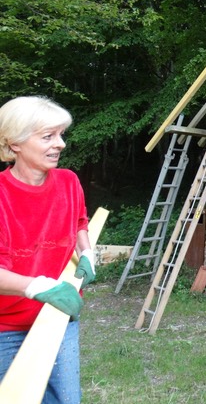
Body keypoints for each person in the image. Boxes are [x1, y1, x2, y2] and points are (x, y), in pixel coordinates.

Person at [0, 96, 95, 404]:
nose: (61, 144)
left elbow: (80, 221)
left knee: (66, 400)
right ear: (15, 143)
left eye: (61, 134)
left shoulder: (68, 182)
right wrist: (38, 287)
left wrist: (87, 252)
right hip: (6, 327)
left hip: (58, 316)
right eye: (48, 136)